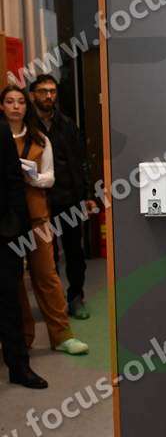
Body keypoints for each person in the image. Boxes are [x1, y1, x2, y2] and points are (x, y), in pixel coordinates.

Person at [0, 85, 89, 356]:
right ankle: (22, 339)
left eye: (20, 101)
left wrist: (32, 177)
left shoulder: (40, 139)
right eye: (9, 101)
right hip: (7, 219)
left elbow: (50, 178)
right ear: (2, 106)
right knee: (13, 280)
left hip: (37, 214)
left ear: (27, 106)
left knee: (47, 275)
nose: (16, 106)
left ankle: (62, 335)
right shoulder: (1, 138)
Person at [29, 74, 97, 319]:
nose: (49, 96)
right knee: (46, 256)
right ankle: (55, 302)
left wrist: (87, 195)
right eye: (43, 91)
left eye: (52, 91)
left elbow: (81, 162)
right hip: (40, 200)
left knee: (74, 252)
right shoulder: (28, 126)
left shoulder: (67, 124)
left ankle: (76, 297)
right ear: (33, 95)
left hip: (70, 198)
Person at [0, 118, 48, 388]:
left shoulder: (1, 129)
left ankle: (19, 367)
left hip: (4, 234)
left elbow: (13, 180)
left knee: (9, 302)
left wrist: (16, 227)